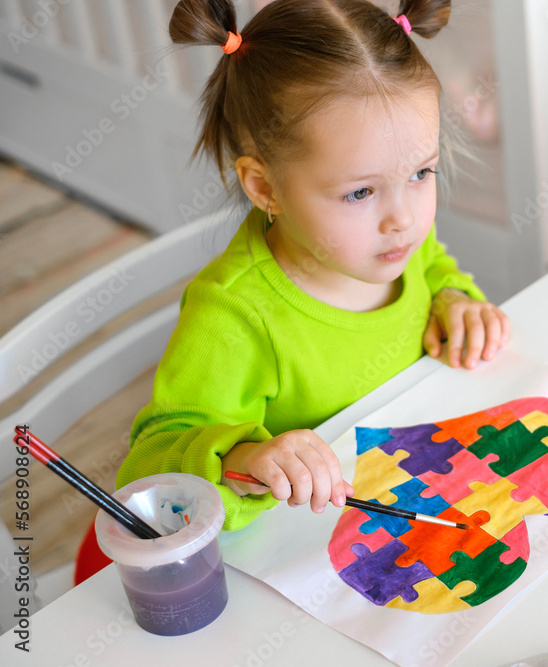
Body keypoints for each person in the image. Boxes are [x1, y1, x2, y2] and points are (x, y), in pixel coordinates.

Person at [117, 0, 510, 530]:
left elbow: (434, 266)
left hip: (431, 488)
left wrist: (455, 300)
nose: (403, 219)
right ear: (265, 187)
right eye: (360, 192)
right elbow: (147, 467)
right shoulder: (233, 315)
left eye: (421, 172)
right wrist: (243, 459)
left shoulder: (392, 239)